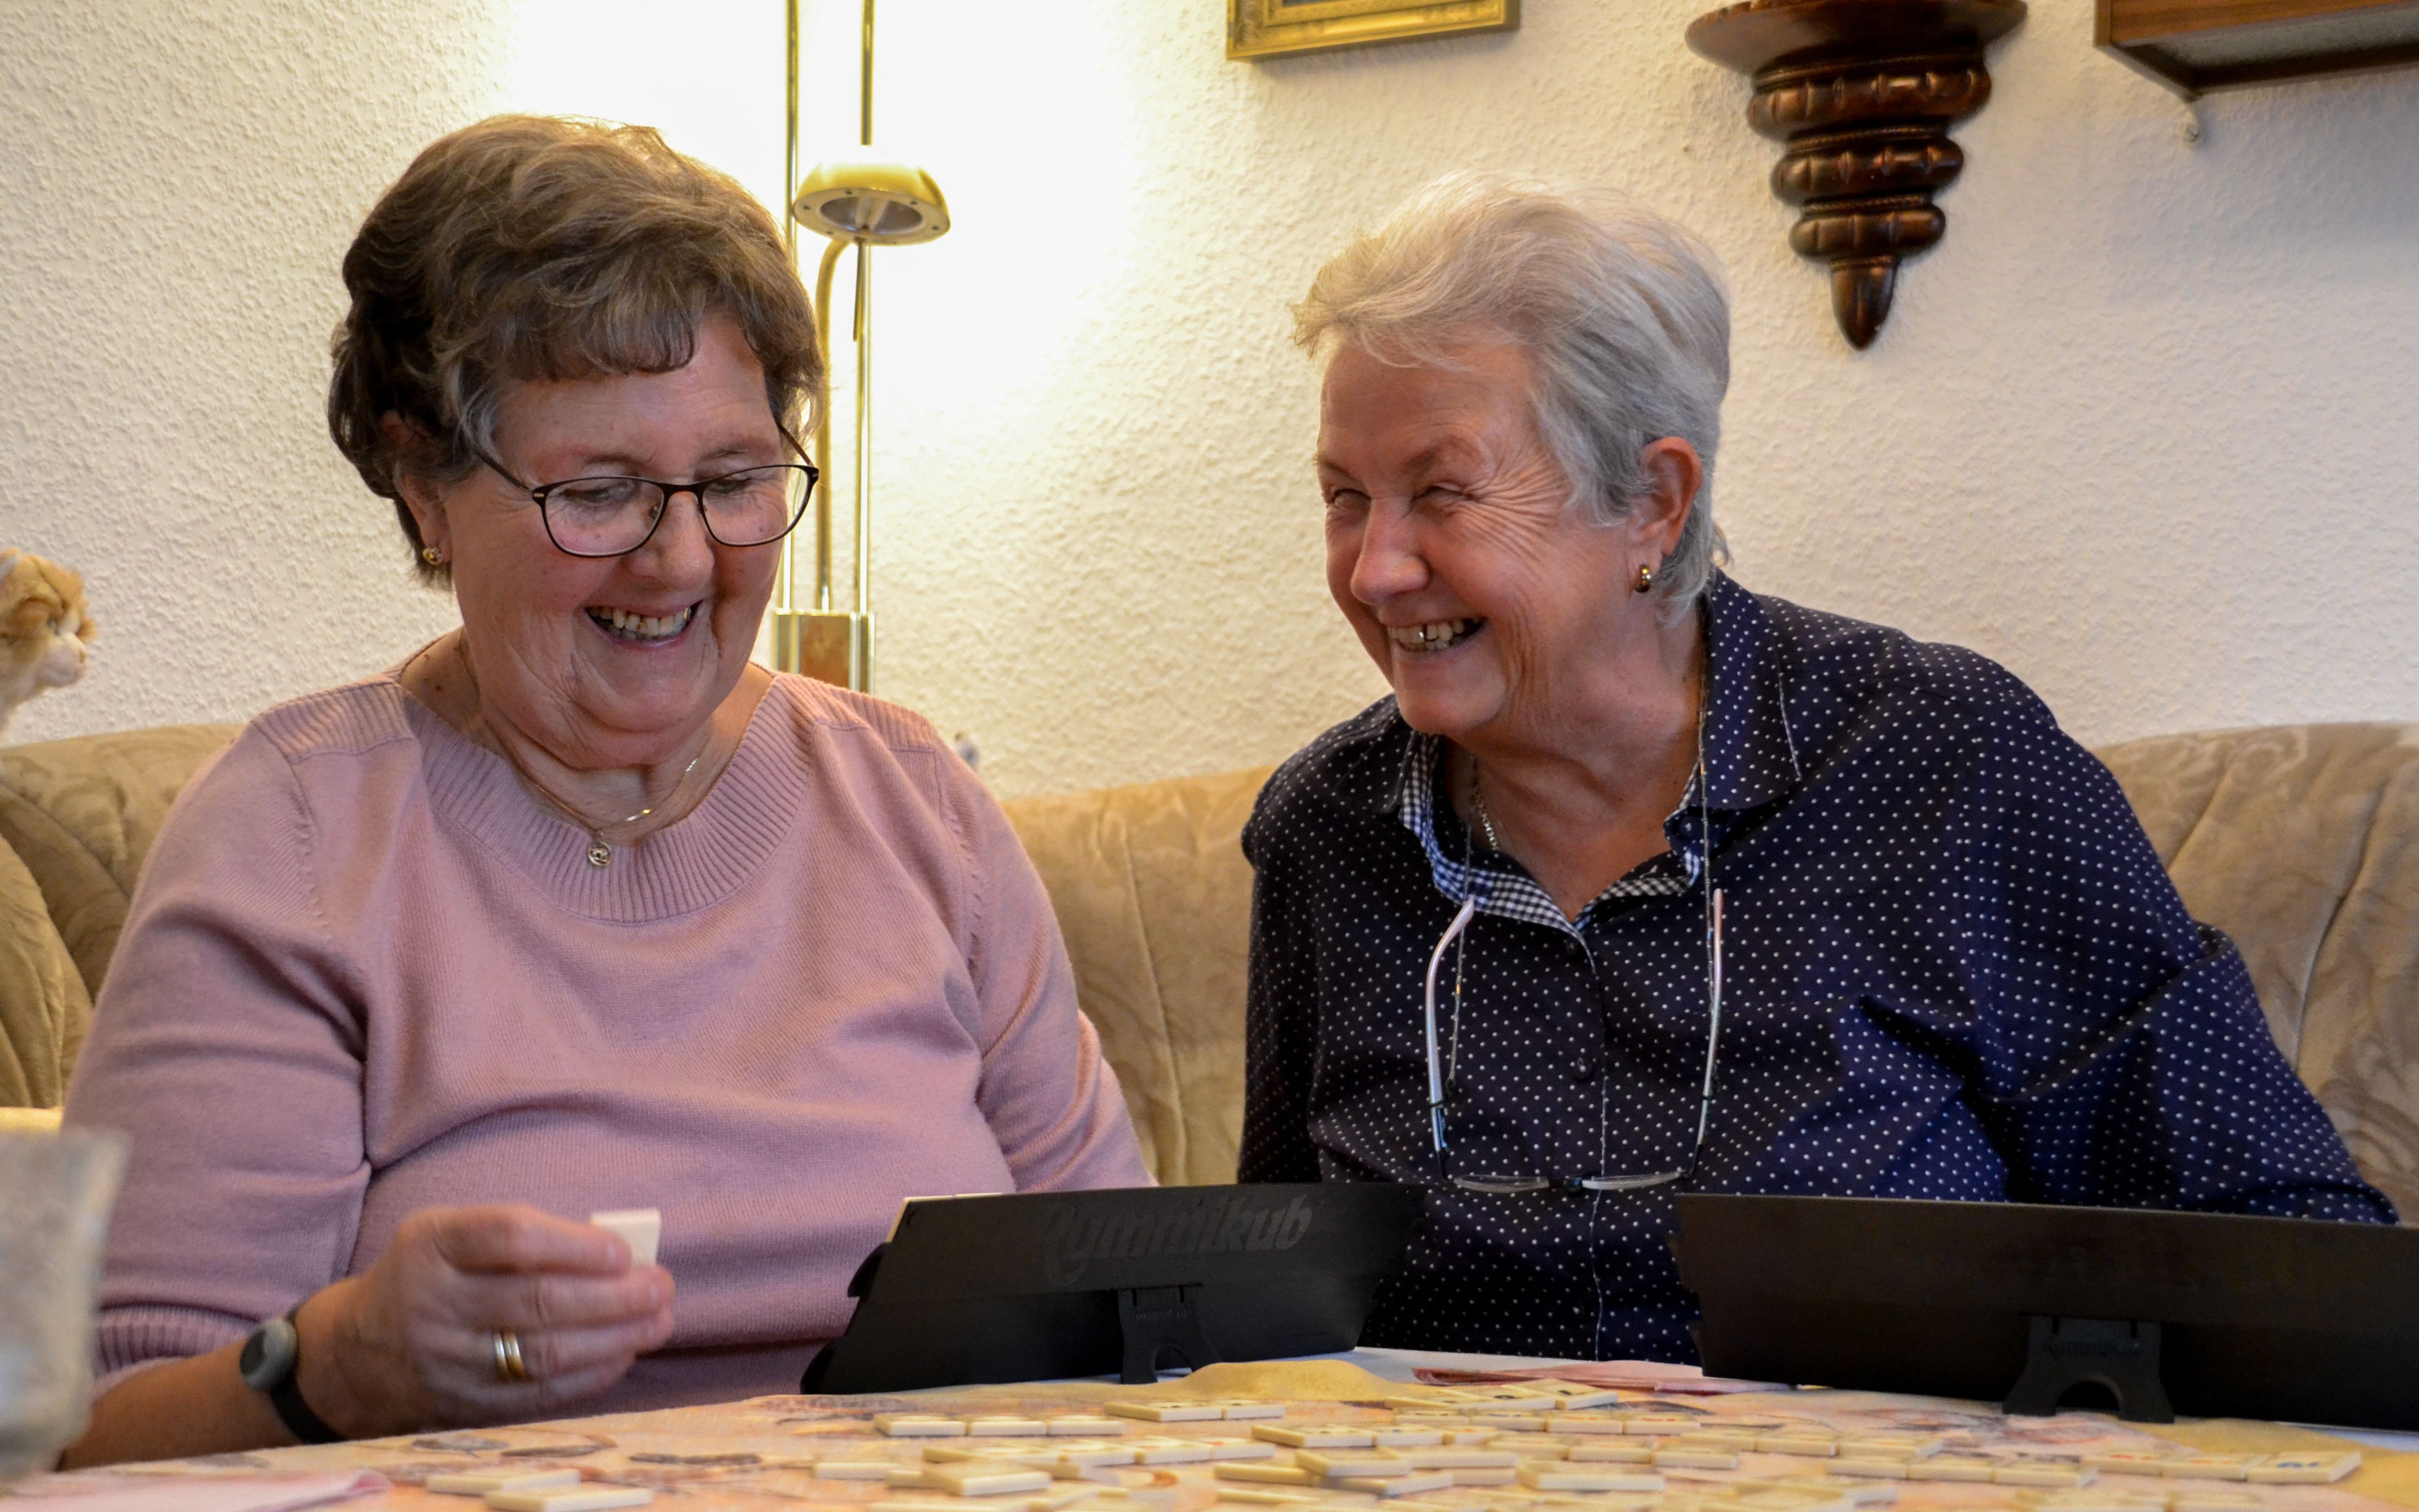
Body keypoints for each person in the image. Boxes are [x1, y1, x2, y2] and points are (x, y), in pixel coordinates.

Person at [60, 116, 1147, 1467]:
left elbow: (1142, 1313)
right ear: (422, 487)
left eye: (737, 481)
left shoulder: (912, 801)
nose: (681, 559)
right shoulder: (292, 840)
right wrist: (340, 1365)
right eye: (600, 493)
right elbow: (103, 1450)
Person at [1237, 171, 2392, 1363]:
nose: (1375, 571)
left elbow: (2286, 1245)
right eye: (1344, 499)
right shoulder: (1329, 828)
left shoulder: (1943, 764)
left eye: (1442, 494)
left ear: (1653, 501)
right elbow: (1265, 1302)